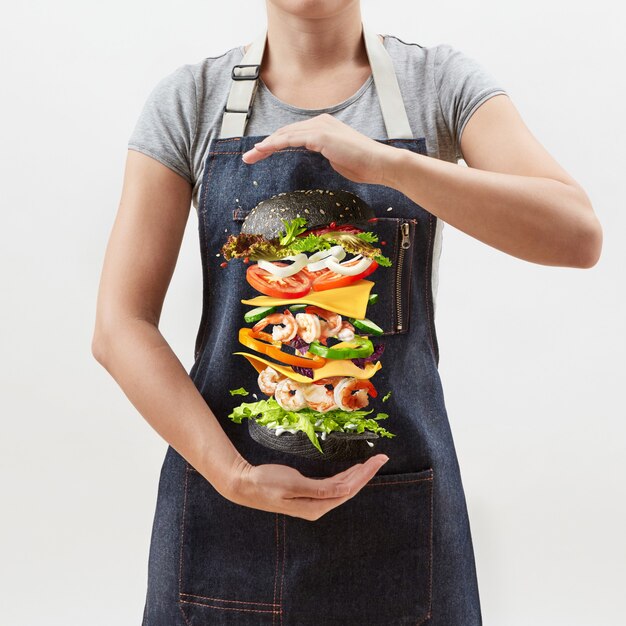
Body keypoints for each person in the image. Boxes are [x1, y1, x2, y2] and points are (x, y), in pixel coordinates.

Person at [92, 1, 602, 624]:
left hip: (399, 521)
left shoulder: (437, 84)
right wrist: (233, 475)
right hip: (224, 518)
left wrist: (391, 163)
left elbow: (577, 235)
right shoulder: (191, 99)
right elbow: (120, 327)